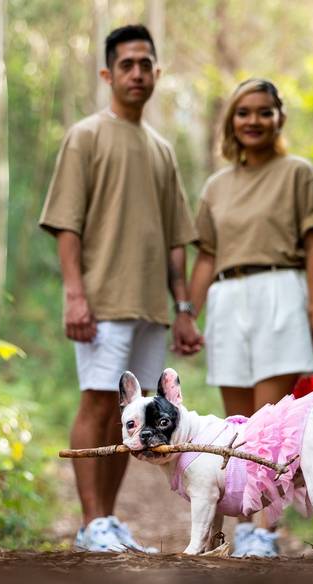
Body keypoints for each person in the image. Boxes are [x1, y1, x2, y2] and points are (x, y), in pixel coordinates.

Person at [39, 25, 200, 552]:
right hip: (102, 302)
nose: (137, 73)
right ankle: (91, 524)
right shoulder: (85, 135)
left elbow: (178, 238)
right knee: (97, 405)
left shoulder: (161, 150)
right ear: (108, 73)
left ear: (157, 73)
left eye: (145, 64)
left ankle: (106, 522)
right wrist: (75, 295)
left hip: (152, 306)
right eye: (126, 64)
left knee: (130, 416)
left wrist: (181, 308)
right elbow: (67, 223)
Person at [184, 78, 313, 557]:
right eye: (244, 112)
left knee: (270, 423)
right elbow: (206, 256)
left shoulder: (299, 174)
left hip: (281, 293)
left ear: (278, 118)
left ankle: (263, 532)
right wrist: (189, 312)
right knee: (239, 425)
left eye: (264, 112)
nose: (253, 121)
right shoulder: (216, 186)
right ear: (232, 120)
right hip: (228, 298)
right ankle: (243, 525)